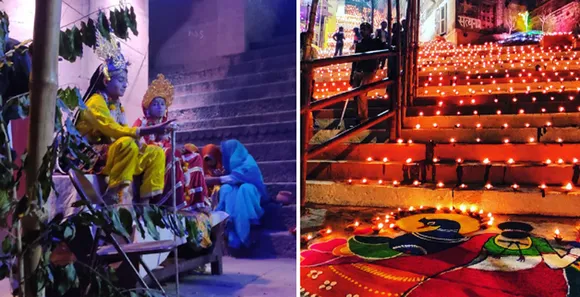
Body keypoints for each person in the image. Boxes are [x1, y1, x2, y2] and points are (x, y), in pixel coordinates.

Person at [74, 33, 173, 203]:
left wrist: (143, 142)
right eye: (121, 80)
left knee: (155, 152)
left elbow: (122, 128)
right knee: (127, 144)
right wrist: (148, 130)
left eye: (126, 80)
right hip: (89, 153)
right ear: (106, 81)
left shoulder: (116, 104)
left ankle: (145, 202)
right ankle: (112, 194)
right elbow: (112, 129)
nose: (125, 84)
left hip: (113, 150)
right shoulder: (95, 102)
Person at [133, 74, 210, 212]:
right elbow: (138, 143)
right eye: (155, 104)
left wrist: (179, 149)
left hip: (167, 152)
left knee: (195, 157)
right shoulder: (142, 121)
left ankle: (197, 203)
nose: (159, 107)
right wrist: (159, 142)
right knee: (170, 153)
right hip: (150, 157)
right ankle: (173, 203)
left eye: (162, 104)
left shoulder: (166, 123)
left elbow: (169, 143)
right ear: (147, 108)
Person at [202, 140, 267, 249]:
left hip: (252, 191)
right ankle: (230, 223)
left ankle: (246, 229)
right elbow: (231, 178)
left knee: (245, 189)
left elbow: (235, 178)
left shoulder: (248, 162)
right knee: (227, 189)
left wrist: (214, 179)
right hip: (237, 188)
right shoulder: (231, 164)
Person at [350, 22, 383, 123]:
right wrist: (352, 74)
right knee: (356, 94)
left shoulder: (375, 42)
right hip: (358, 70)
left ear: (370, 31)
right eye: (361, 29)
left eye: (365, 29)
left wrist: (378, 63)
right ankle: (358, 115)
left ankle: (363, 117)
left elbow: (384, 48)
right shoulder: (359, 44)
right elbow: (355, 60)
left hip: (369, 70)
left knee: (361, 93)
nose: (362, 31)